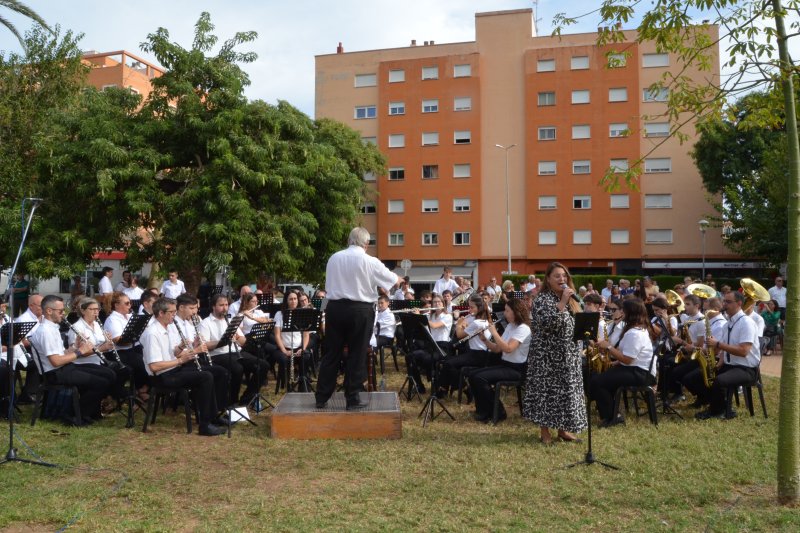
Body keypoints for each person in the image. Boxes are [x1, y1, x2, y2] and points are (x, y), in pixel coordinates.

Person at [315, 227, 399, 410]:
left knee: (332, 353)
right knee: (357, 353)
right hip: (360, 310)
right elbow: (392, 280)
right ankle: (352, 398)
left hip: (335, 308)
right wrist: (397, 280)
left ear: (349, 240)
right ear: (366, 244)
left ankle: (321, 397)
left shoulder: (334, 258)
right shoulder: (370, 261)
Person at [140, 297, 225, 436]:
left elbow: (171, 353)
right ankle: (205, 425)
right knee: (206, 377)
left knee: (215, 371)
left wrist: (181, 347)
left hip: (172, 369)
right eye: (171, 312)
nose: (174, 315)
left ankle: (213, 415)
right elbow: (155, 366)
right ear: (161, 313)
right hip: (162, 377)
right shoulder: (152, 333)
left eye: (174, 312)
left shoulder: (165, 327)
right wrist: (181, 360)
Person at [522, 262, 586, 445]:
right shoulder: (542, 299)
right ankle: (545, 431)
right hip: (546, 356)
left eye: (564, 276)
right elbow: (548, 324)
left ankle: (563, 430)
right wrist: (563, 302)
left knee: (565, 392)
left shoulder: (572, 300)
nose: (562, 279)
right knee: (546, 393)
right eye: (557, 276)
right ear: (548, 280)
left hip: (568, 355)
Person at [29, 295, 115, 426]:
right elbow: (56, 361)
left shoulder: (52, 327)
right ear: (48, 311)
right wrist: (80, 351)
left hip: (64, 368)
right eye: (61, 311)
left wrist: (75, 346)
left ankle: (89, 412)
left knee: (108, 374)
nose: (64, 314)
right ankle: (75, 415)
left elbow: (61, 354)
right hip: (54, 374)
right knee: (100, 383)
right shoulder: (46, 331)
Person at [688, 291, 761, 420]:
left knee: (719, 381)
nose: (724, 305)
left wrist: (718, 344)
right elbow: (726, 349)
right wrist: (719, 363)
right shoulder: (728, 323)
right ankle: (714, 403)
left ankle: (719, 411)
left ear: (739, 303)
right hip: (730, 365)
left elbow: (743, 351)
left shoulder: (746, 323)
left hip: (746, 369)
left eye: (728, 302)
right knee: (697, 376)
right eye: (724, 302)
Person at [593, 298, 657, 427]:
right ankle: (611, 413)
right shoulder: (636, 330)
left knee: (597, 382)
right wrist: (615, 362)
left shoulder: (635, 333)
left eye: (624, 311)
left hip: (640, 374)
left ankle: (612, 416)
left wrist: (608, 347)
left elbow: (628, 360)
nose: (621, 313)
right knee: (599, 377)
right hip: (636, 370)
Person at [199, 294, 268, 406]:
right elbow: (205, 345)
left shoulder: (231, 320)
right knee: (237, 369)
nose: (225, 308)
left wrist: (237, 338)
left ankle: (246, 398)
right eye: (221, 305)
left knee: (263, 365)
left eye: (226, 305)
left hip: (236, 352)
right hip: (217, 355)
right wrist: (223, 340)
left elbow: (243, 341)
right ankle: (232, 401)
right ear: (213, 306)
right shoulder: (205, 323)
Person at [468, 299, 531, 423]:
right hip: (505, 365)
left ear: (516, 312)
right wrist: (485, 340)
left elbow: (508, 348)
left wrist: (494, 333)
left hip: (517, 369)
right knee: (473, 375)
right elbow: (497, 349)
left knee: (480, 378)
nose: (505, 314)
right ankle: (483, 410)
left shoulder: (523, 328)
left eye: (507, 311)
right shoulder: (510, 326)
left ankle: (498, 411)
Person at [171, 294, 230, 410]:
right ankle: (209, 409)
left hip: (192, 359)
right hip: (181, 364)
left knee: (222, 372)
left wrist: (196, 343)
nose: (195, 312)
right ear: (181, 308)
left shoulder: (188, 323)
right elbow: (175, 353)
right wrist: (196, 349)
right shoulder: (173, 325)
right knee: (213, 374)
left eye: (196, 308)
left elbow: (190, 346)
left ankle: (220, 408)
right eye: (192, 308)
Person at [441, 294, 494, 396]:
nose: (469, 310)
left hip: (477, 356)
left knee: (448, 364)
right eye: (468, 307)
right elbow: (467, 329)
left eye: (472, 307)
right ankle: (444, 388)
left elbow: (459, 334)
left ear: (480, 307)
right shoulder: (484, 319)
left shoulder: (477, 323)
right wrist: (464, 325)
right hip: (478, 353)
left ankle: (464, 389)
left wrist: (458, 323)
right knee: (450, 363)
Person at [104, 292, 149, 401]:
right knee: (143, 363)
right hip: (119, 352)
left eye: (131, 303)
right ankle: (139, 390)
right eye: (127, 303)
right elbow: (118, 341)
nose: (130, 306)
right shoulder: (112, 319)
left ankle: (142, 388)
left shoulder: (130, 316)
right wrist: (136, 336)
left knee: (150, 359)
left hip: (133, 349)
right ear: (116, 305)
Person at [406, 294, 452, 393]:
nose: (436, 304)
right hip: (430, 346)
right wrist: (413, 314)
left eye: (439, 302)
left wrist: (420, 316)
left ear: (443, 304)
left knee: (427, 359)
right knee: (410, 357)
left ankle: (438, 386)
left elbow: (435, 326)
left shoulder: (448, 316)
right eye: (434, 302)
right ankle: (419, 385)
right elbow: (418, 323)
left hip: (442, 347)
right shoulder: (430, 316)